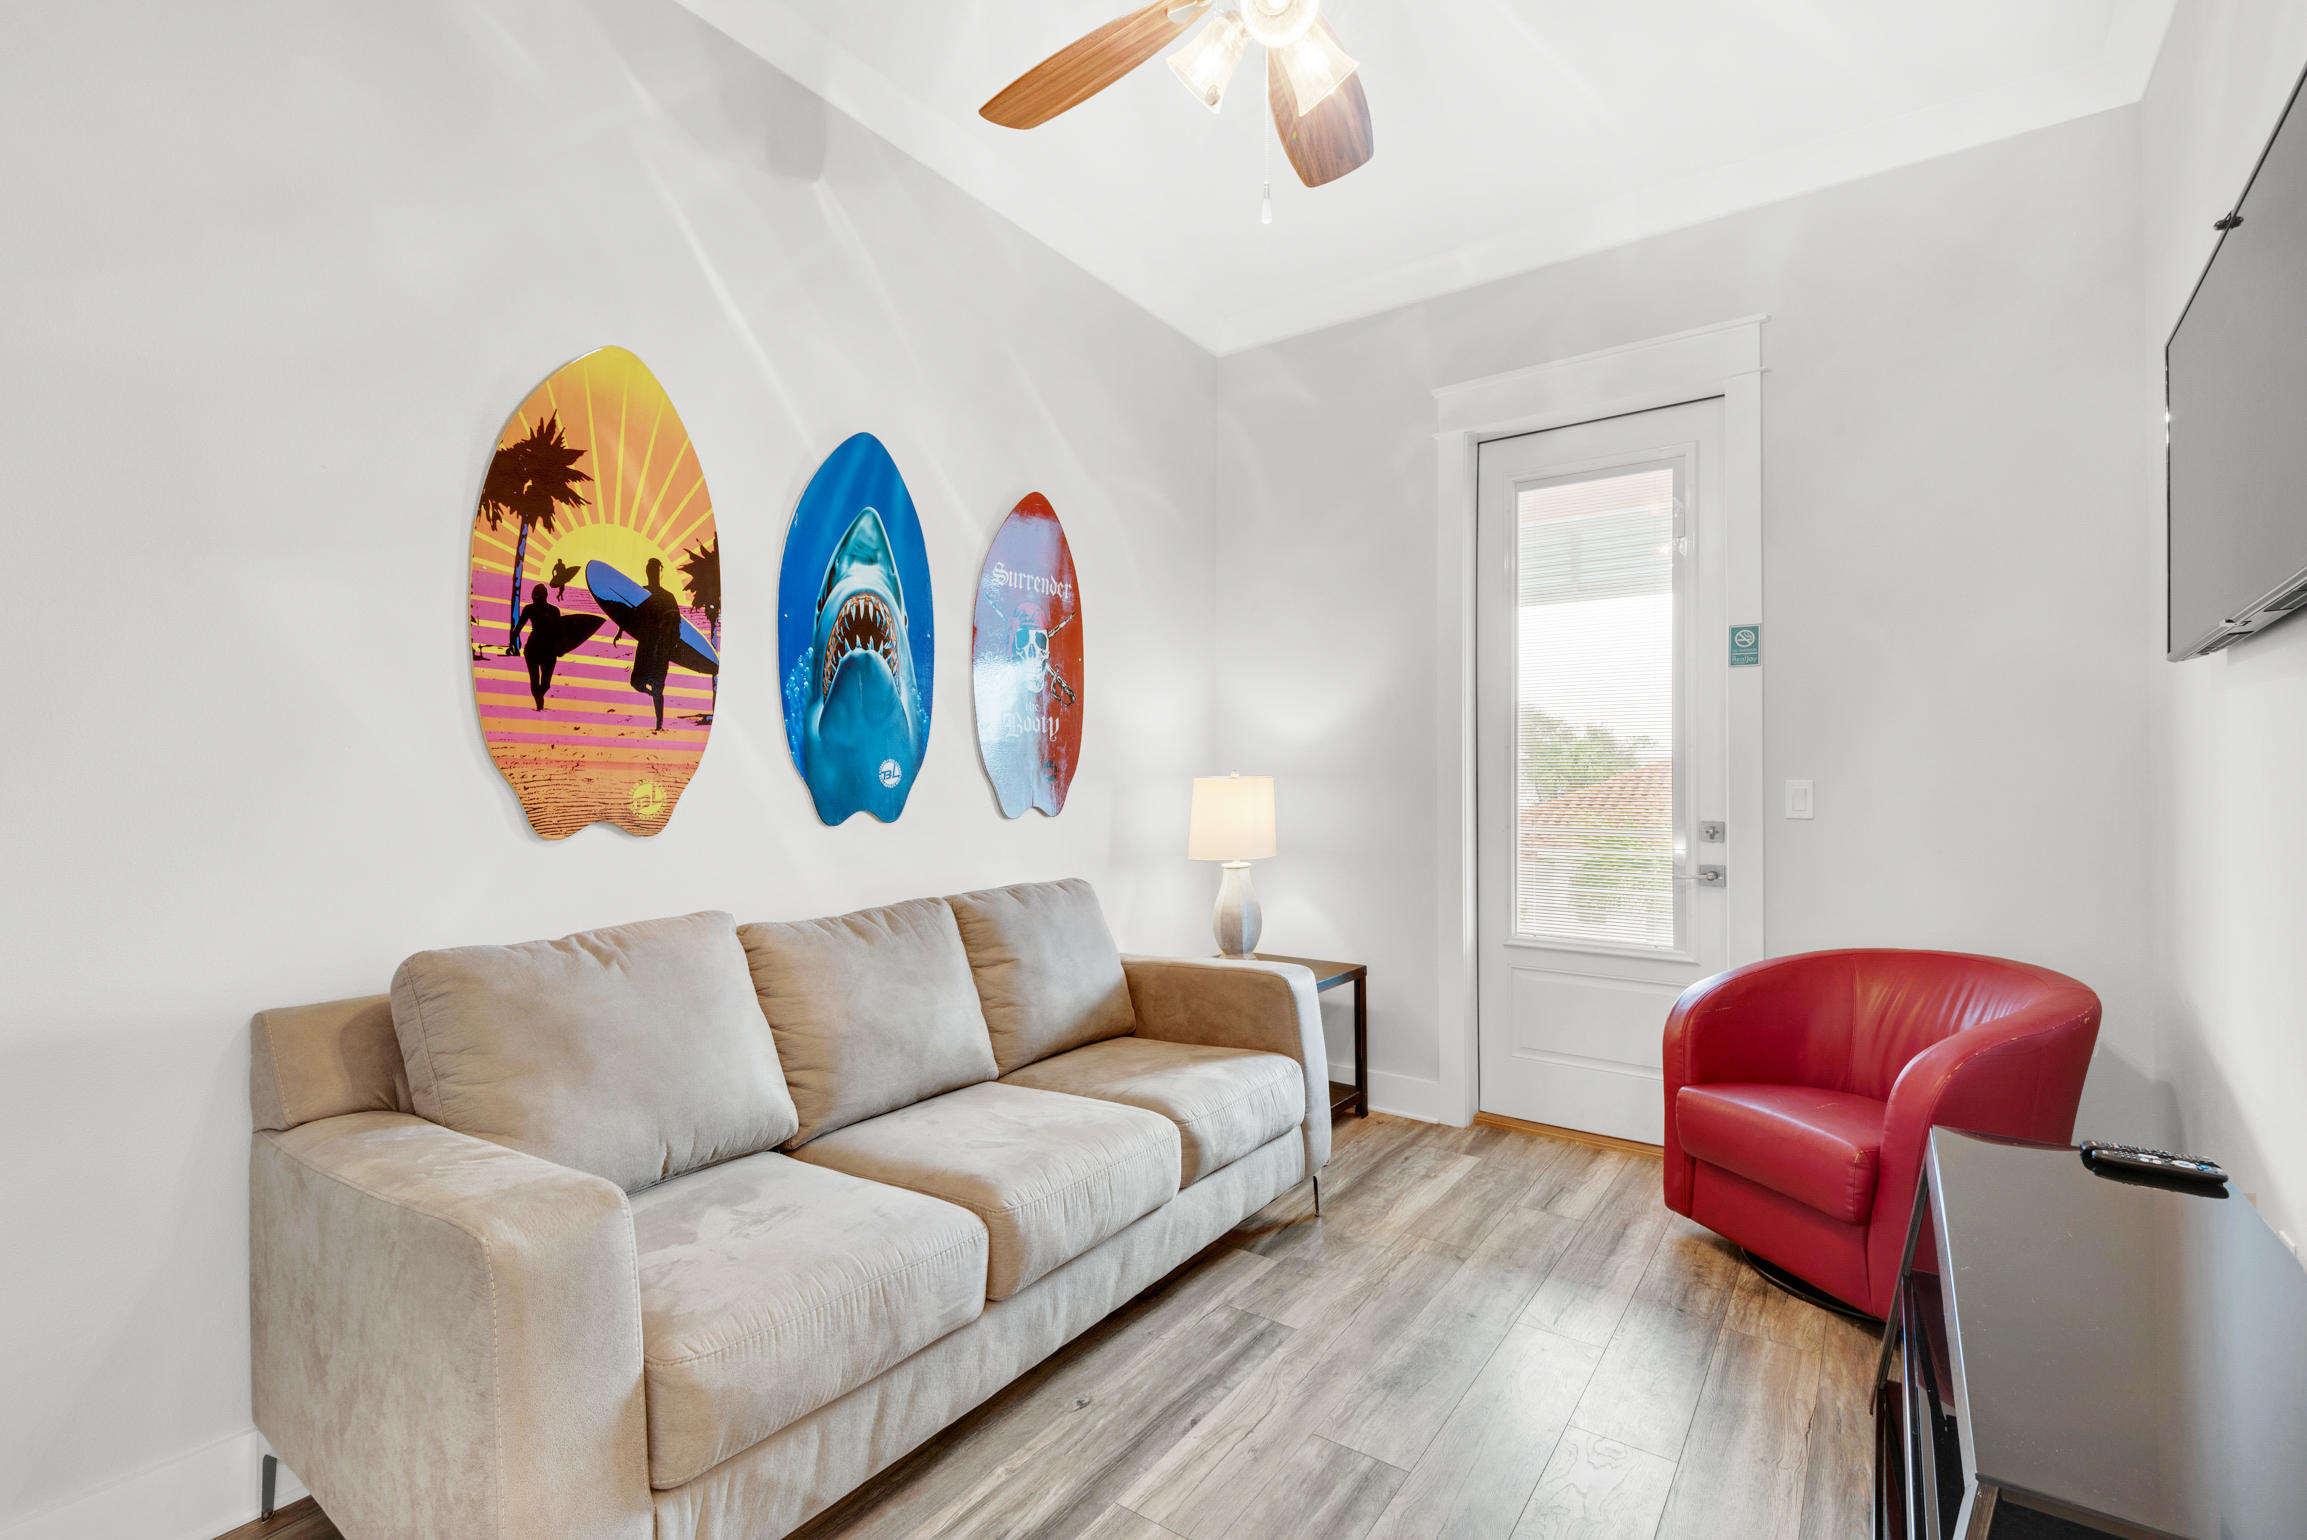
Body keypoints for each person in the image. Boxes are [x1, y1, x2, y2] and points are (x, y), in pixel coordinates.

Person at [507, 582, 602, 710]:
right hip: (533, 649)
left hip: (549, 650)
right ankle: (539, 705)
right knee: (534, 680)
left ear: (544, 596)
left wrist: (562, 648)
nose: (538, 598)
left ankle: (539, 697)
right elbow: (519, 627)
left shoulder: (553, 610)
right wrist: (511, 643)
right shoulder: (529, 609)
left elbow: (560, 631)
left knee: (546, 684)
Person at [630, 557, 680, 731]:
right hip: (646, 645)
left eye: (655, 570)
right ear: (647, 572)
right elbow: (628, 615)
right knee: (636, 682)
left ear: (659, 572)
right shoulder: (641, 593)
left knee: (658, 686)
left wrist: (672, 645)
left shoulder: (667, 597)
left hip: (660, 648)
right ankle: (652, 694)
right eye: (650, 570)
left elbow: (676, 623)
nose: (652, 573)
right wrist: (620, 630)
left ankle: (659, 724)